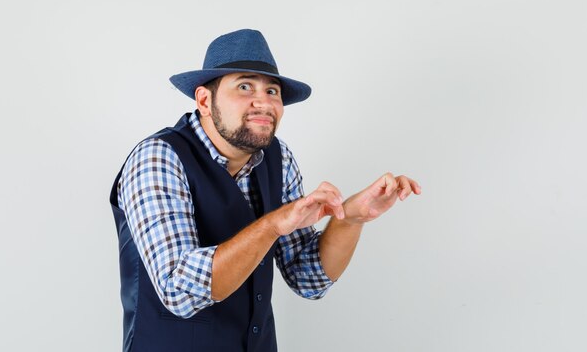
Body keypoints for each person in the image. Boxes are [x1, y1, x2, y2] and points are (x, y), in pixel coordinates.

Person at [110, 29, 421, 352]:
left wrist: (350, 219)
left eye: (272, 91)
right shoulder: (158, 157)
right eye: (245, 86)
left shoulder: (278, 157)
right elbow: (179, 292)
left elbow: (308, 277)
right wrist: (273, 224)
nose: (264, 102)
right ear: (204, 100)